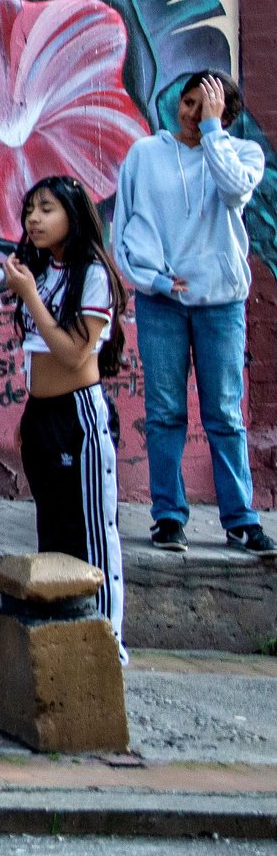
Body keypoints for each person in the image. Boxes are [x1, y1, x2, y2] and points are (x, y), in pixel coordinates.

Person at [111, 71, 274, 555]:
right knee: (164, 413)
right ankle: (168, 517)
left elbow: (233, 193)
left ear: (226, 114)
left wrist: (212, 132)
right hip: (162, 303)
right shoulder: (145, 155)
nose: (190, 113)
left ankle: (241, 520)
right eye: (187, 103)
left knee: (224, 413)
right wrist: (153, 278)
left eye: (203, 105)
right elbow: (126, 226)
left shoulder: (242, 155)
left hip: (221, 303)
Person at [2, 175, 129, 652]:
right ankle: (62, 637)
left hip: (80, 415)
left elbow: (74, 354)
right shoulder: (45, 268)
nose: (34, 219)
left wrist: (30, 295)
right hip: (42, 414)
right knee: (52, 528)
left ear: (73, 217)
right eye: (30, 209)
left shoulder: (91, 271)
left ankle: (106, 640)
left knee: (93, 530)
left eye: (47, 209)